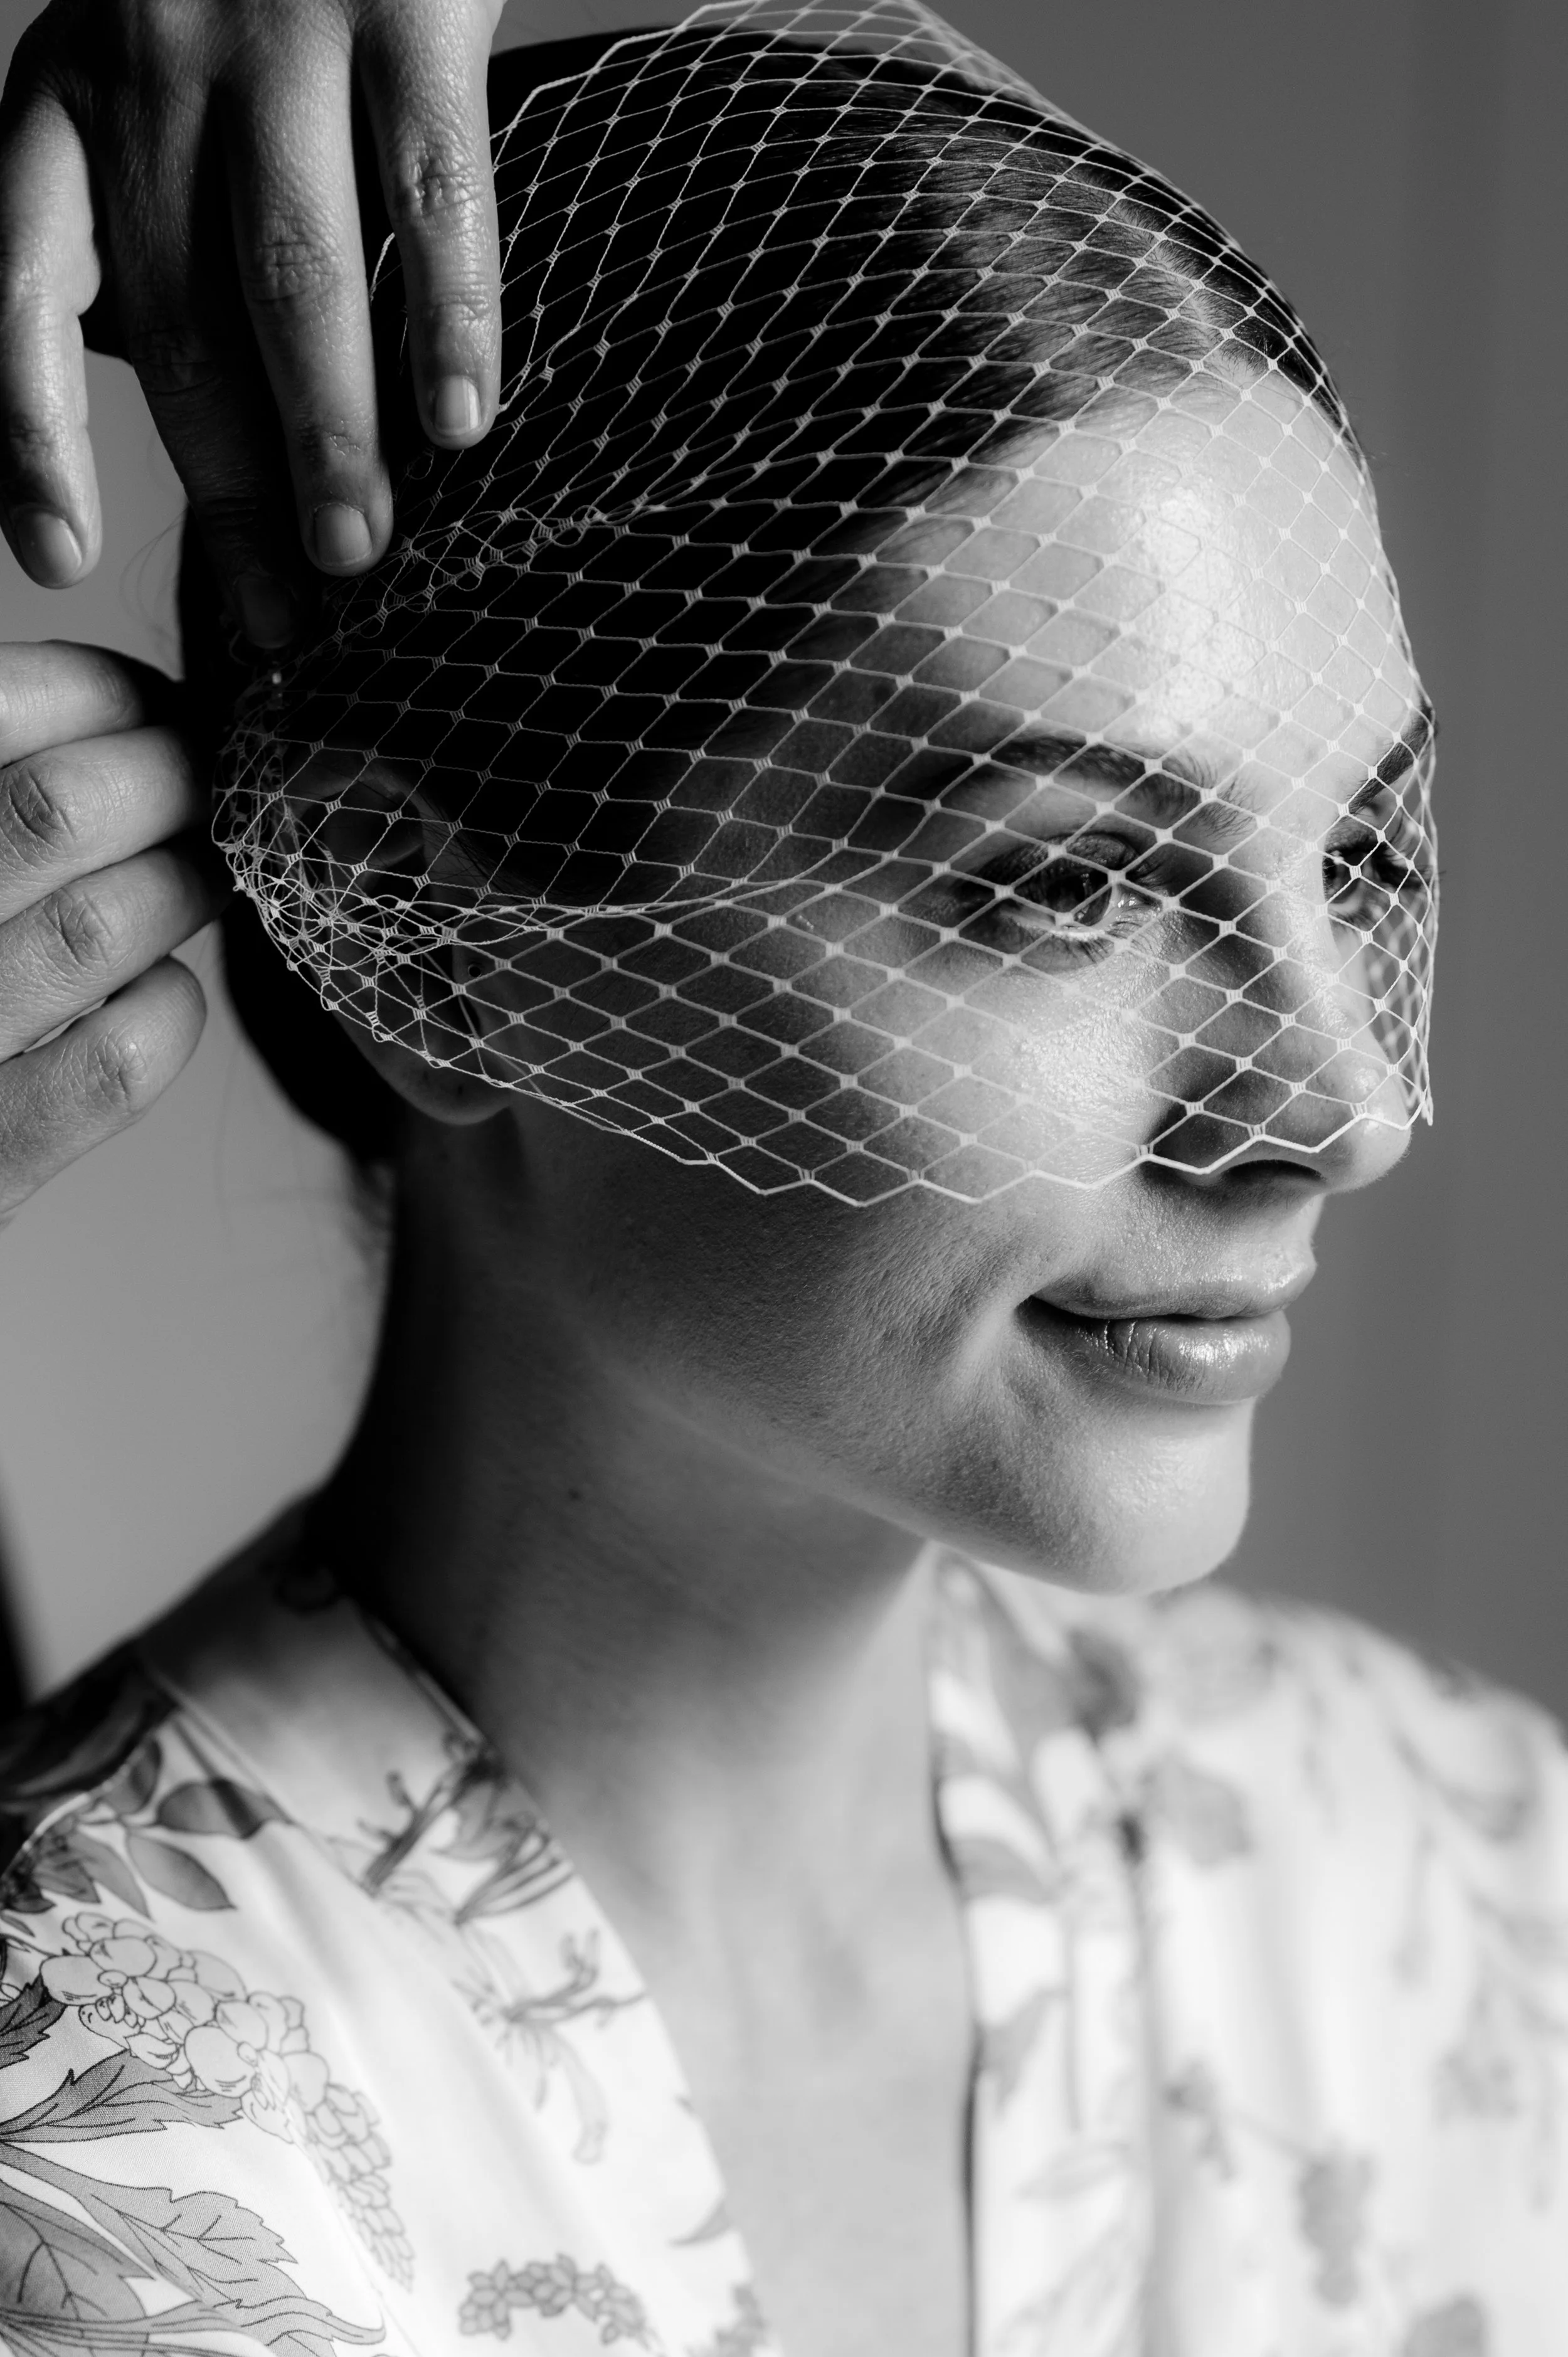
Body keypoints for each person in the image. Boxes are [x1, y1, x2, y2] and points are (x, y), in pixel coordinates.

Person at [0, 12, 1559, 2357]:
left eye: (1352, 856)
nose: (1340, 1100)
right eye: (1060, 884)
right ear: (425, 937)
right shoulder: (102, 2152)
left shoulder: (1457, 1881)